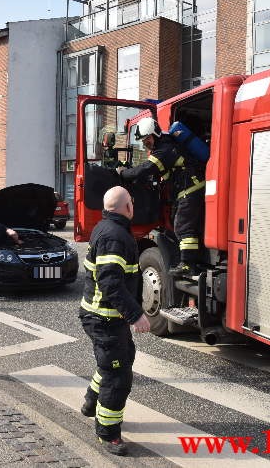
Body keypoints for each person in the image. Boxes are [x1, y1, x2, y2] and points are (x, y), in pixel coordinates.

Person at [79, 186, 150, 456]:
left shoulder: (107, 227)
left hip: (106, 317)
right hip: (104, 318)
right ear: (128, 207)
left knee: (116, 361)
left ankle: (90, 402)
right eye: (132, 202)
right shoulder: (116, 236)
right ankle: (108, 433)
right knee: (118, 375)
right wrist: (137, 315)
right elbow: (111, 283)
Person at [117, 117, 205, 277]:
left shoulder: (164, 149)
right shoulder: (164, 146)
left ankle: (187, 265)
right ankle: (186, 259)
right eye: (143, 141)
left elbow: (146, 168)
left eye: (147, 139)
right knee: (176, 224)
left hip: (191, 187)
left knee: (183, 226)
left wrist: (123, 173)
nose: (146, 143)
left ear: (156, 134)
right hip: (186, 189)